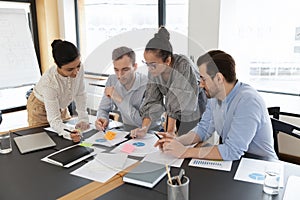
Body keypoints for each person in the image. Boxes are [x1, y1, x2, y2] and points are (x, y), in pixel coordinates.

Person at [155, 50, 278, 161]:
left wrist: (184, 152)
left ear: (219, 78)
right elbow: (203, 130)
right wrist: (175, 141)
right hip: (236, 162)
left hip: (260, 165)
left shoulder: (248, 101)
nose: (201, 85)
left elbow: (232, 150)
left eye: (203, 79)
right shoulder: (214, 98)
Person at [130, 27, 207, 138]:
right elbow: (151, 99)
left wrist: (170, 130)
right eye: (146, 63)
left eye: (152, 64)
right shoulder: (153, 70)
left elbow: (176, 99)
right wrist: (144, 128)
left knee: (186, 145)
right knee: (170, 143)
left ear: (168, 61)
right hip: (174, 114)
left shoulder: (183, 66)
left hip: (194, 111)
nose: (149, 69)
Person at [27, 39, 89, 142]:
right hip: (39, 106)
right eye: (70, 70)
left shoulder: (79, 67)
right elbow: (54, 120)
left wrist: (83, 118)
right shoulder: (50, 83)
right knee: (43, 142)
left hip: (61, 103)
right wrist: (70, 133)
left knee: (65, 141)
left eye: (77, 66)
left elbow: (80, 93)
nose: (76, 72)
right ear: (56, 64)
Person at [95, 46, 161, 131]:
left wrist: (118, 98)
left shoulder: (149, 84)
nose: (119, 75)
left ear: (135, 67)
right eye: (116, 70)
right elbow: (103, 109)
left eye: (125, 70)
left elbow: (141, 122)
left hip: (151, 131)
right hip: (127, 129)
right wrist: (102, 118)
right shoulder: (112, 80)